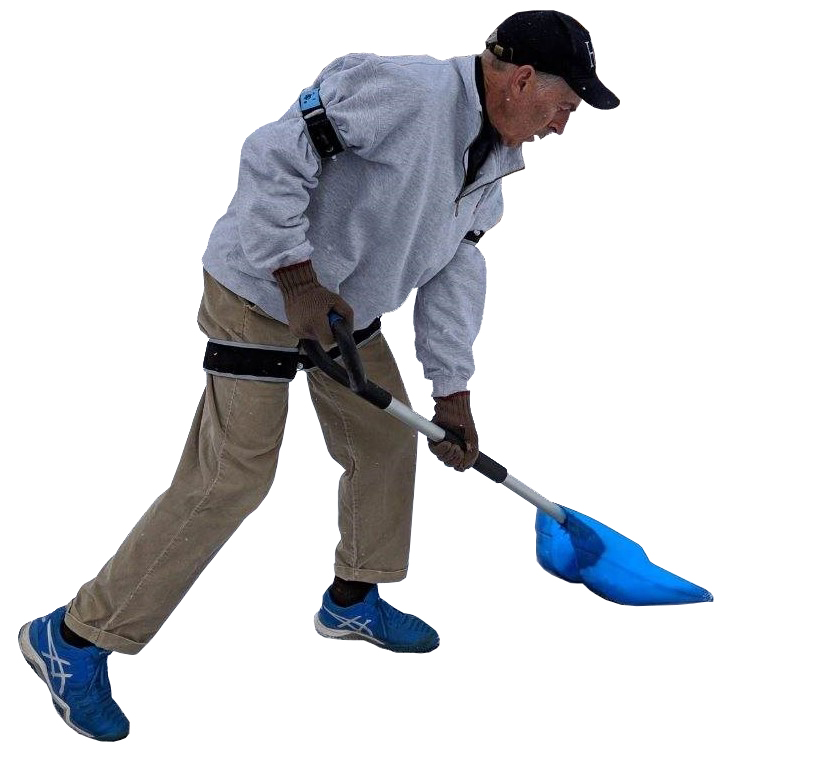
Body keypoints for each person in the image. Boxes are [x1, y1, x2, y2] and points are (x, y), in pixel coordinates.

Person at [19, 10, 619, 741]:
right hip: (259, 291)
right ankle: (75, 637)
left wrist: (452, 390)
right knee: (231, 476)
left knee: (385, 443)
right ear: (522, 80)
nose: (561, 126)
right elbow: (273, 154)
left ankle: (352, 600)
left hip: (343, 312)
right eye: (565, 106)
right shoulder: (407, 92)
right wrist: (296, 277)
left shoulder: (492, 166)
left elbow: (455, 272)